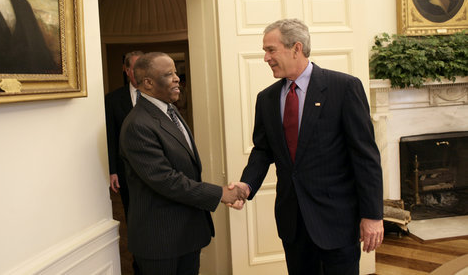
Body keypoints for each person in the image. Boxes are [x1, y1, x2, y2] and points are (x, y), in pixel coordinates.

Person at [229, 19, 384, 275]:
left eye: (271, 50)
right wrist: (247, 184)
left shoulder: (343, 88)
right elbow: (263, 150)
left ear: (296, 48)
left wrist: (372, 216)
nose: (265, 58)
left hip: (337, 222)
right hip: (294, 224)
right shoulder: (266, 99)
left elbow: (365, 157)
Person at [120, 52, 246, 275]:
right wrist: (220, 194)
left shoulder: (171, 110)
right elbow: (165, 180)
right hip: (160, 241)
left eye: (176, 73)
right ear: (148, 83)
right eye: (169, 74)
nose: (177, 78)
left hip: (186, 235)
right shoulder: (138, 125)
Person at [104, 51, 143, 274]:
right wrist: (112, 170)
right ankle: (139, 263)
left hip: (157, 172)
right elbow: (110, 137)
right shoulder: (113, 100)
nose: (139, 72)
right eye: (135, 67)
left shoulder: (158, 94)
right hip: (127, 173)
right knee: (133, 218)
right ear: (126, 70)